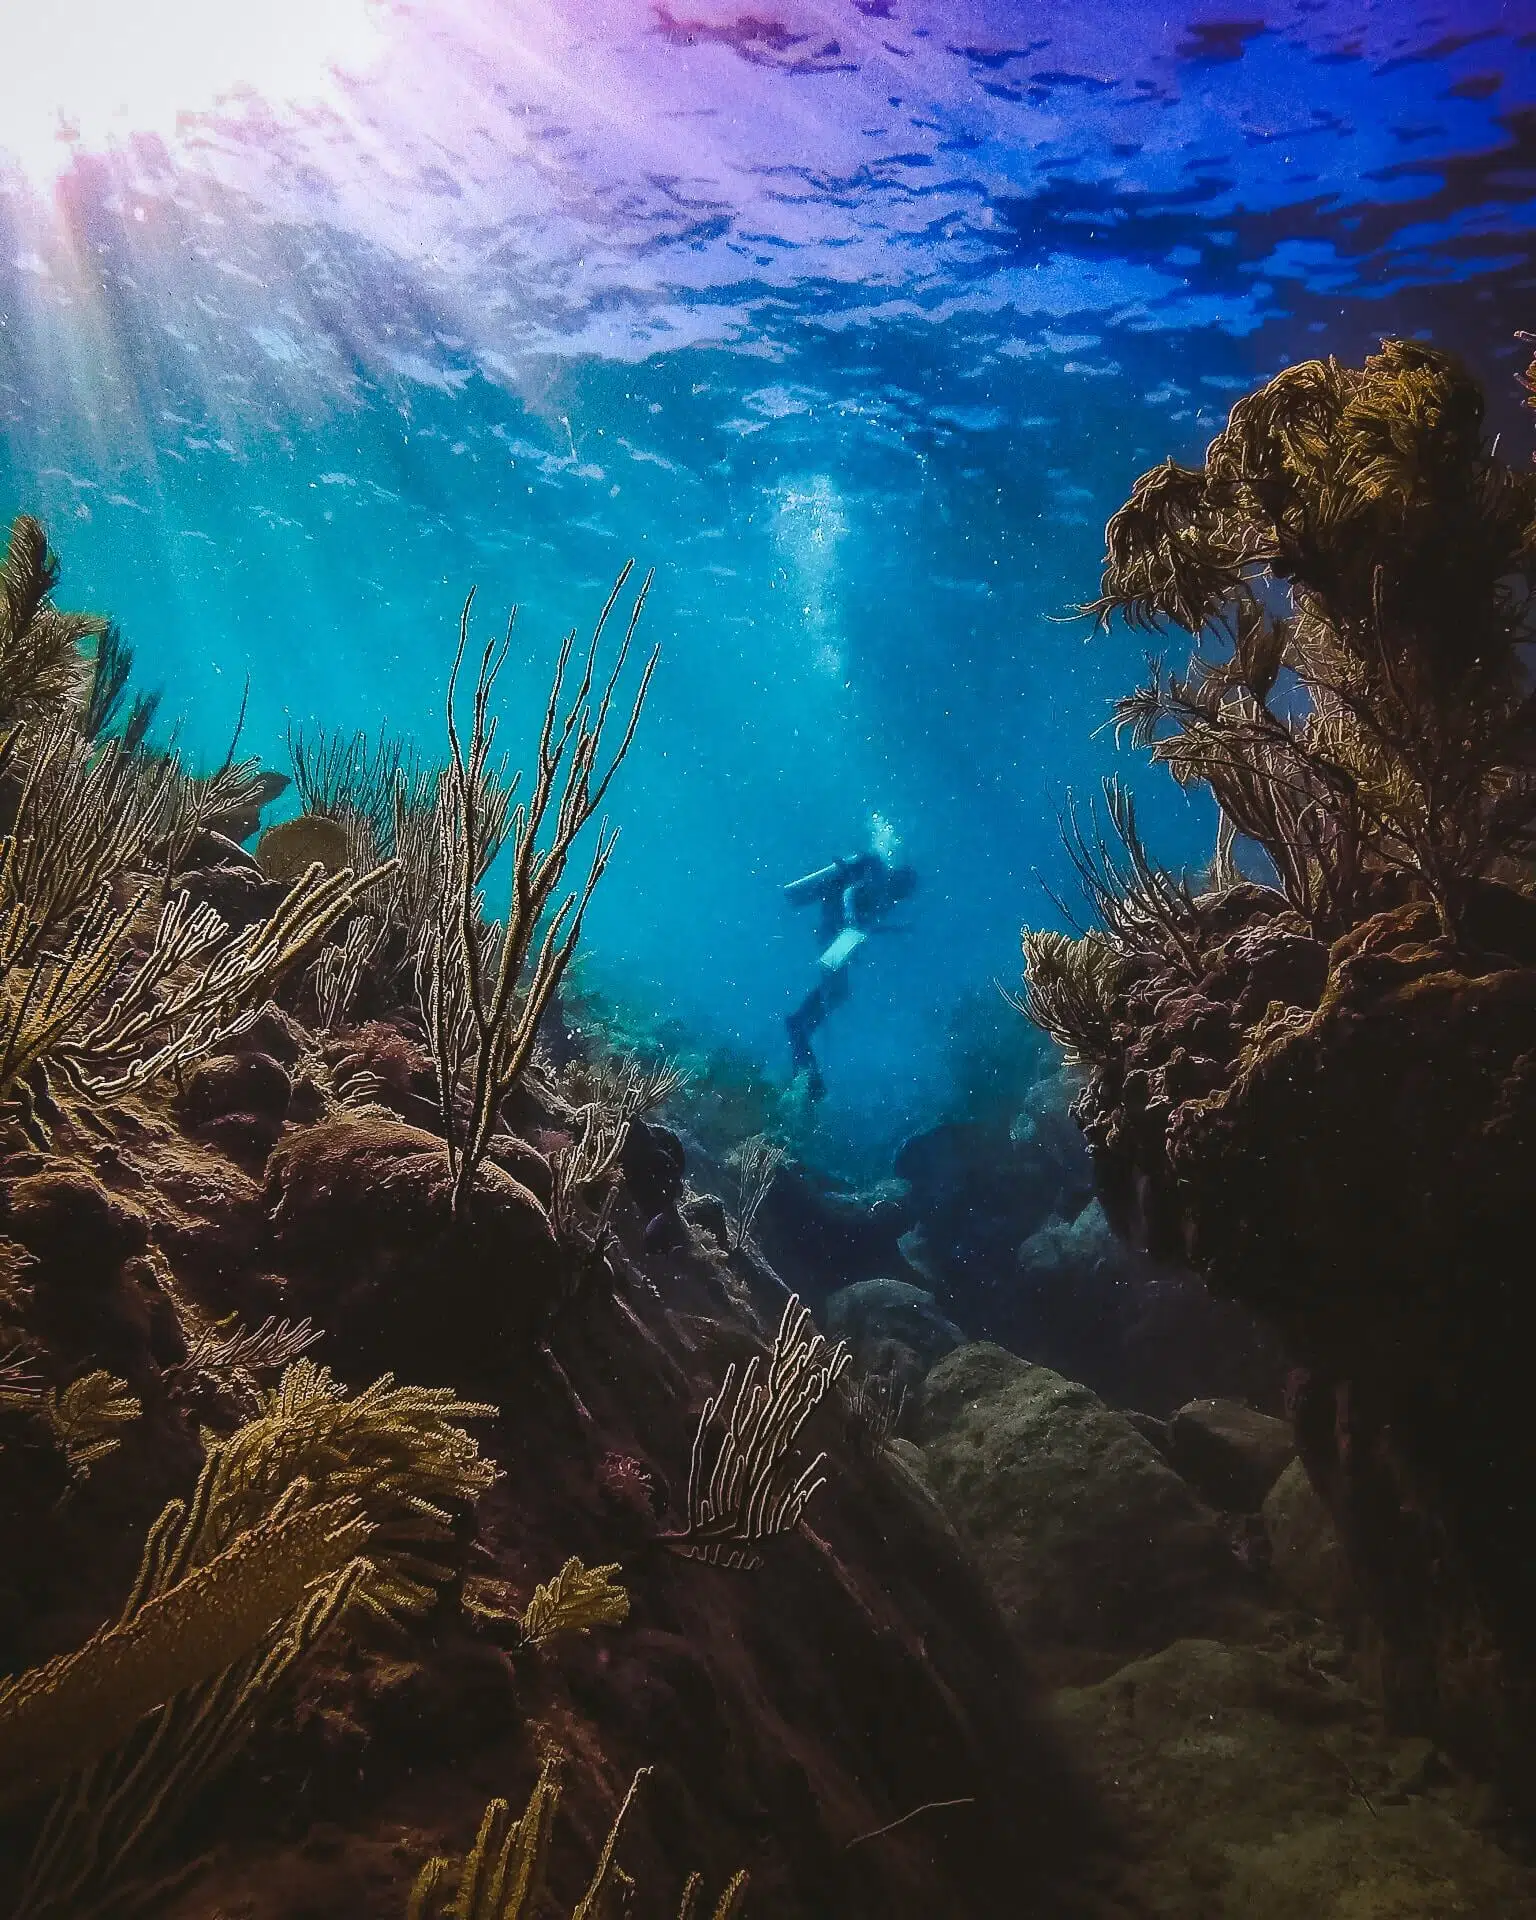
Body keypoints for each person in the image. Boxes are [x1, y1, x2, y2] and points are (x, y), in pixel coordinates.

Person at [783, 845, 917, 1100]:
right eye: (903, 891)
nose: (899, 898)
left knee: (839, 994)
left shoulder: (885, 894)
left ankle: (800, 1034)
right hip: (837, 930)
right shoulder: (875, 874)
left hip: (837, 933)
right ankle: (799, 1031)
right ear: (898, 877)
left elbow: (868, 920)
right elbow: (850, 894)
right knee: (836, 992)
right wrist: (850, 921)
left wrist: (894, 929)